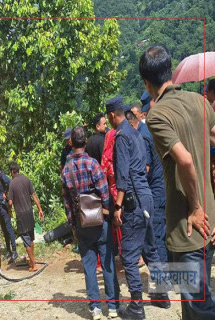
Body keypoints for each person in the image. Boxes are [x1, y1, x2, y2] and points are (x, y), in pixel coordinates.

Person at [141, 44, 215, 320]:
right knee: (193, 306)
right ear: (171, 72)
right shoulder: (199, 101)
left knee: (199, 306)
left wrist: (195, 207)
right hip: (208, 227)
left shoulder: (157, 115)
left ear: (147, 83)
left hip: (187, 228)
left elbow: (184, 160)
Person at [106, 96, 170, 319]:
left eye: (109, 117)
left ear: (112, 116)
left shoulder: (122, 137)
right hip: (148, 197)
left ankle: (136, 306)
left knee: (129, 257)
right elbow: (145, 167)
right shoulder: (138, 133)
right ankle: (162, 296)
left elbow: (122, 176)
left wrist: (118, 206)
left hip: (134, 200)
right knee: (150, 249)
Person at [61, 126, 120, 320]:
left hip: (81, 223)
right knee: (108, 263)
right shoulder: (93, 164)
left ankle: (95, 308)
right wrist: (109, 215)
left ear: (71, 143)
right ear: (85, 142)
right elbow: (104, 192)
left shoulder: (66, 170)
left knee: (88, 265)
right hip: (99, 221)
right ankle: (112, 306)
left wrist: (73, 226)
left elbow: (67, 202)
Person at [125, 109, 169, 263]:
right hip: (163, 187)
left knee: (155, 238)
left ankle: (164, 280)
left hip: (155, 190)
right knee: (162, 232)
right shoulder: (147, 131)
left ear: (131, 125)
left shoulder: (142, 137)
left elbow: (146, 168)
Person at [7, 163, 44, 272]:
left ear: (12, 172)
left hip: (21, 215)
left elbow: (10, 202)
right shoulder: (26, 179)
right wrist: (40, 209)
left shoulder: (12, 184)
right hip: (29, 213)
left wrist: (9, 211)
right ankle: (32, 261)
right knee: (30, 238)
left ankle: (33, 265)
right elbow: (34, 195)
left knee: (26, 240)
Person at [0, 156, 18, 263]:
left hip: (3, 206)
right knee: (4, 230)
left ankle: (14, 251)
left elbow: (10, 182)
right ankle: (9, 251)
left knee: (9, 228)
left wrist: (6, 193)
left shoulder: (0, 174)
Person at [101, 126, 122, 258]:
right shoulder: (121, 152)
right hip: (125, 191)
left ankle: (121, 251)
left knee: (118, 223)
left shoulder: (106, 157)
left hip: (113, 193)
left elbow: (103, 174)